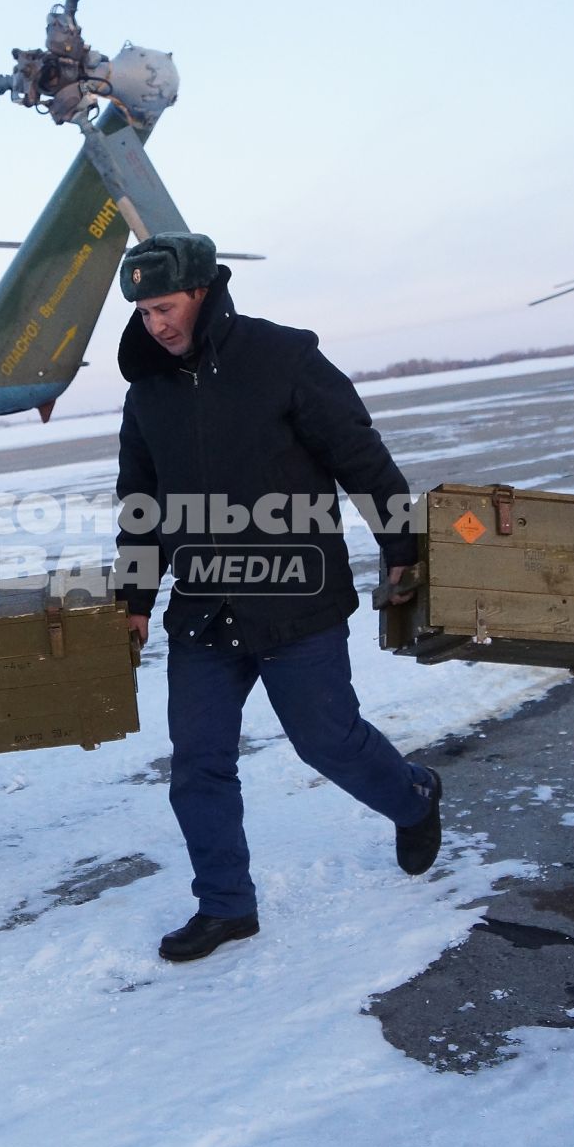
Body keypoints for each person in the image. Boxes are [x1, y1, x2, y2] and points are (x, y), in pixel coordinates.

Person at [110, 231, 444, 964]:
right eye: (142, 312)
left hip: (296, 602)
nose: (154, 324)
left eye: (164, 307)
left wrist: (402, 551)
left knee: (328, 742)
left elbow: (362, 460)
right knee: (198, 763)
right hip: (203, 611)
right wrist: (134, 598)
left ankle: (414, 797)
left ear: (201, 292)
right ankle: (226, 905)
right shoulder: (148, 393)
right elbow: (140, 502)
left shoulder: (284, 359)